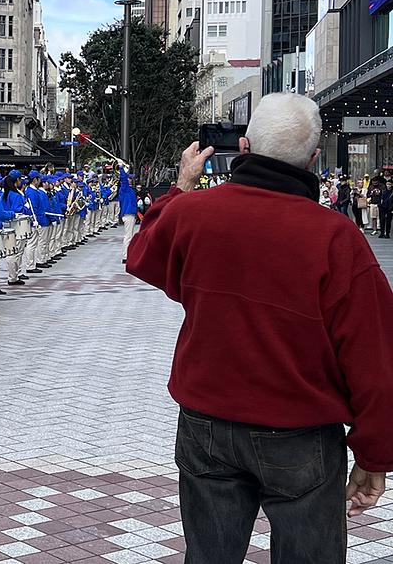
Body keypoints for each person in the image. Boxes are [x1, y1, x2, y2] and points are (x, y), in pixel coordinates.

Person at [127, 94, 393, 560]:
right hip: (300, 432)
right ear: (313, 159)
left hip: (206, 422)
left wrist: (181, 188)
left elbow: (143, 254)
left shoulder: (195, 213)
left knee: (209, 555)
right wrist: (374, 456)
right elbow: (374, 355)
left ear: (244, 146)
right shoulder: (336, 237)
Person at [117, 163, 138, 264]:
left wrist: (127, 169)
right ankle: (126, 256)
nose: (131, 180)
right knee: (128, 236)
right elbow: (123, 179)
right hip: (128, 214)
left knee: (129, 235)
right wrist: (121, 168)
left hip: (131, 214)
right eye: (130, 178)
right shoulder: (124, 188)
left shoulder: (129, 190)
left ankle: (127, 254)